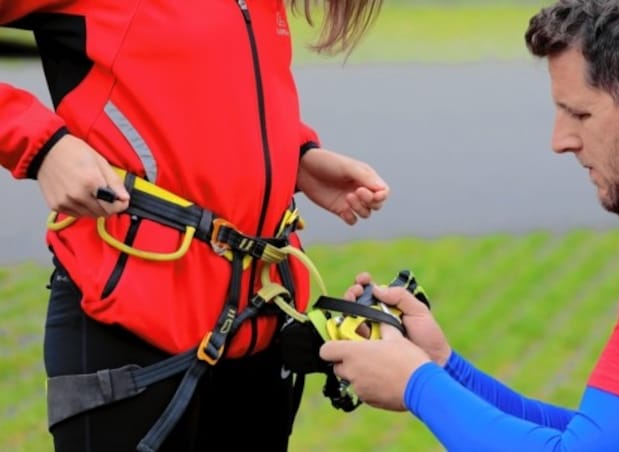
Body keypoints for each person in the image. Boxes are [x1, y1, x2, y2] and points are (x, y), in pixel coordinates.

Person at [319, 0, 619, 450]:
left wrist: (415, 385)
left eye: (580, 113)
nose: (560, 140)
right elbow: (600, 434)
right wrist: (443, 368)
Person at [0, 1, 389, 451]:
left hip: (257, 336)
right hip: (128, 329)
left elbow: (200, 80)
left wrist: (295, 156)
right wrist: (41, 145)